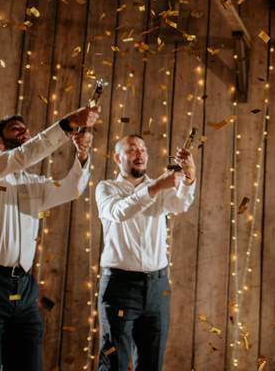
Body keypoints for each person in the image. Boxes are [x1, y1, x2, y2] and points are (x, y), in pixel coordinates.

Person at [0, 105, 100, 371]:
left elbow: (71, 189)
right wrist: (66, 124)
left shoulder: (31, 181)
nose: (24, 133)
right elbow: (22, 156)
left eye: (26, 130)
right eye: (15, 129)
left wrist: (82, 155)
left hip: (23, 288)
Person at [95, 135, 197, 371]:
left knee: (152, 363)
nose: (139, 153)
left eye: (143, 149)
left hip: (157, 287)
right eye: (132, 149)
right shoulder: (106, 188)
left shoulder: (160, 187)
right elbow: (120, 212)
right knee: (114, 363)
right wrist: (157, 186)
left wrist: (189, 176)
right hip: (120, 286)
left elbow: (180, 204)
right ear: (117, 158)